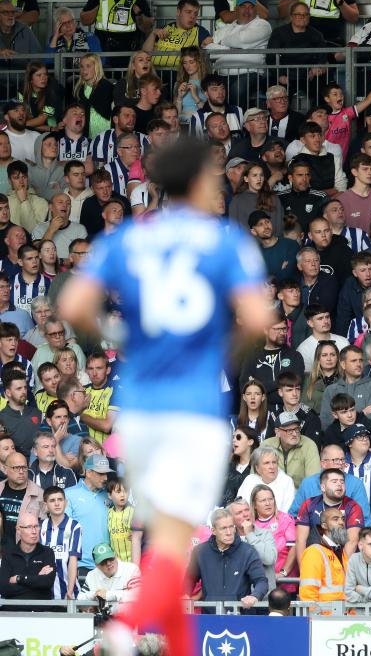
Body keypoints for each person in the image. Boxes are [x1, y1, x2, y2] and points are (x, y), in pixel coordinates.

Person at [59, 140, 270, 650]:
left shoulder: (129, 239)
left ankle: (166, 643)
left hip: (141, 411)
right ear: (199, 182)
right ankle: (122, 628)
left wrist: (125, 337)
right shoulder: (223, 241)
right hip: (193, 410)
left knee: (172, 545)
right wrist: (214, 349)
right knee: (174, 550)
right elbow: (259, 317)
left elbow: (73, 303)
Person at [189, 508, 269, 610]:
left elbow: (261, 581)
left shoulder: (248, 551)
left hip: (240, 615)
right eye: (223, 528)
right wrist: (184, 594)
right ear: (213, 531)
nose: (229, 532)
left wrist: (255, 596)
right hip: (210, 616)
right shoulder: (200, 551)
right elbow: (190, 578)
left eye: (231, 527)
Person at [0, 512, 56, 606]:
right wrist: (37, 579)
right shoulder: (9, 555)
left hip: (40, 610)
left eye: (36, 526)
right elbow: (4, 589)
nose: (34, 531)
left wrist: (19, 578)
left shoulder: (47, 552)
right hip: (13, 611)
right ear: (18, 530)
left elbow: (47, 583)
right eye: (29, 527)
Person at [79, 543, 141, 611]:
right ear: (97, 565)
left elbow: (139, 594)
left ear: (115, 556)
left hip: (128, 616)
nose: (108, 563)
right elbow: (79, 599)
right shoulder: (91, 575)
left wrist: (109, 595)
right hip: (102, 617)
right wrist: (94, 594)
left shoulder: (131, 569)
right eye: (103, 561)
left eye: (110, 558)